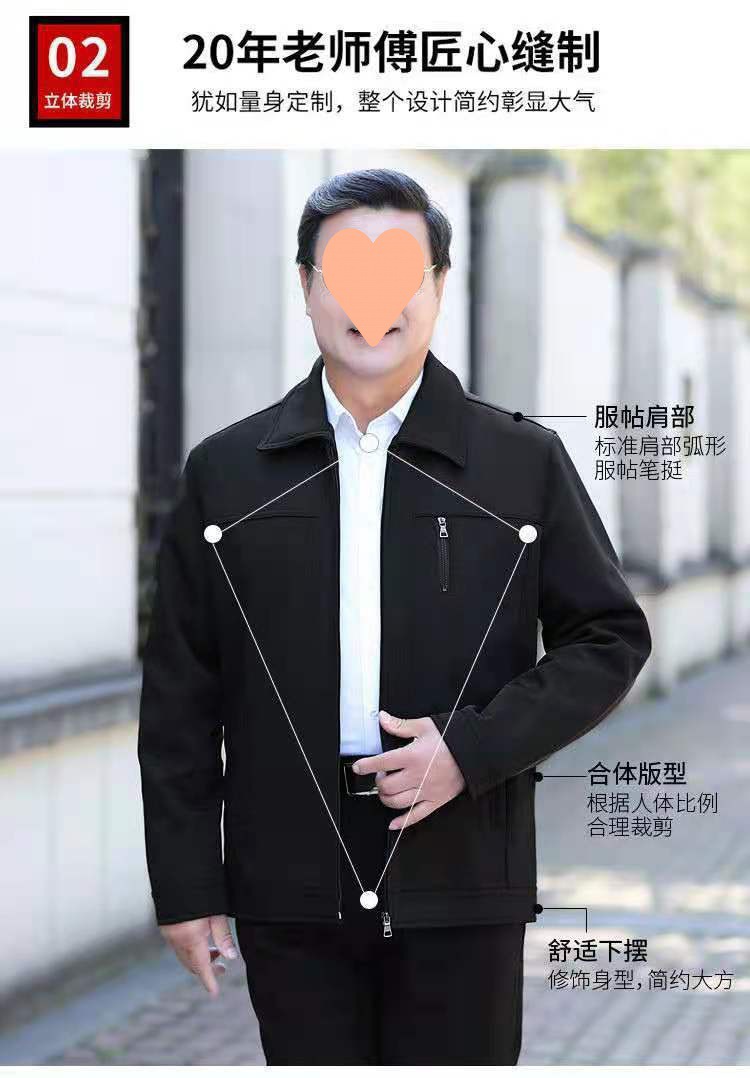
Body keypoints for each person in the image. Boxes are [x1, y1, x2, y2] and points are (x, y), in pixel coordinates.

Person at [137, 167, 652, 1065]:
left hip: (462, 868)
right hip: (286, 880)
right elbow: (181, 694)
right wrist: (186, 886)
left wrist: (471, 750)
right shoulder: (227, 473)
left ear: (439, 287)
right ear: (307, 287)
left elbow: (609, 637)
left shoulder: (520, 461)